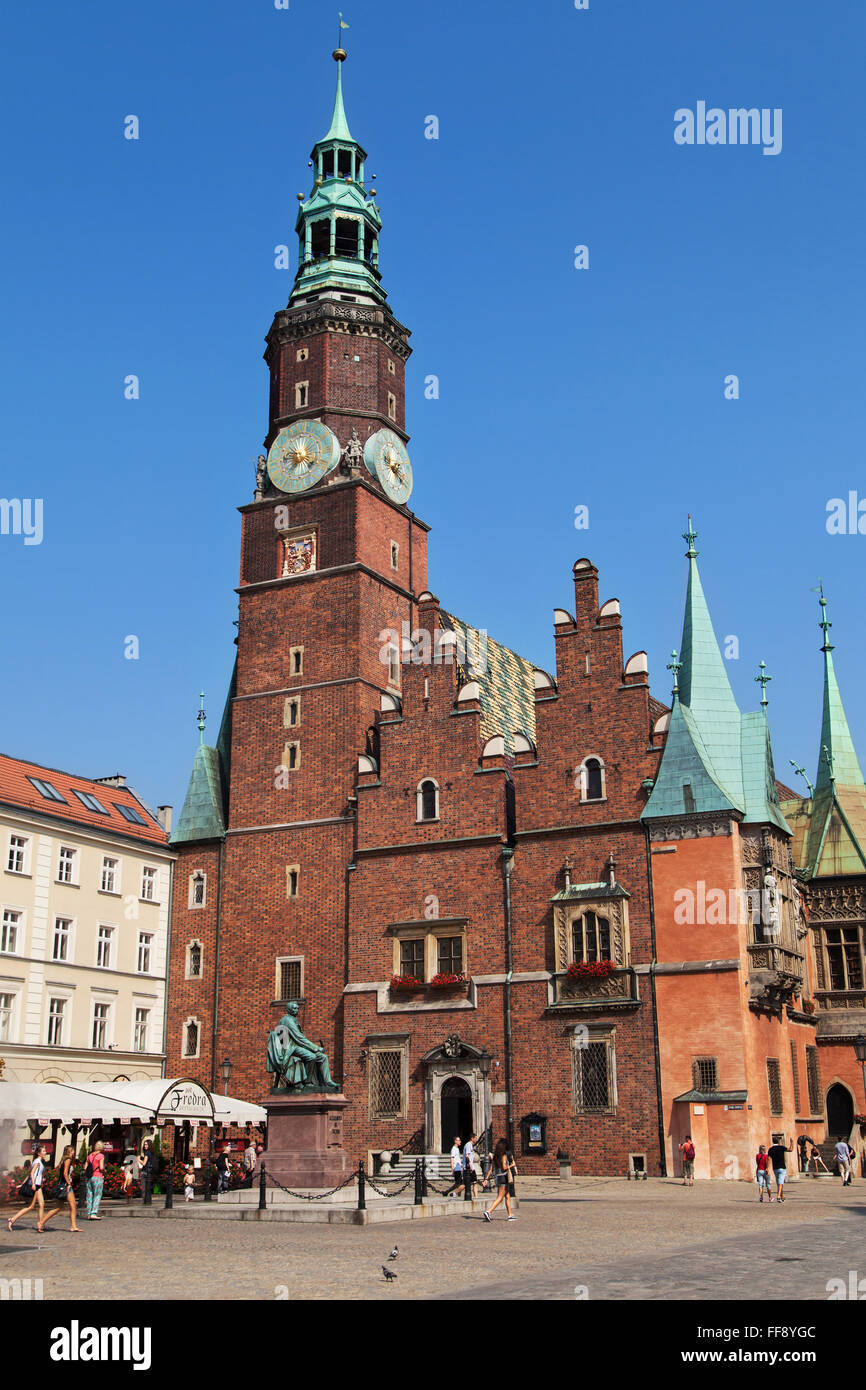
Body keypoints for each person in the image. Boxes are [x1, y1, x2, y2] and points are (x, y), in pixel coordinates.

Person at [7, 1144, 51, 1232]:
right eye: (44, 1151)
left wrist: (23, 1184)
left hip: (37, 1185)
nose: (45, 1152)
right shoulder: (38, 1162)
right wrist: (34, 1184)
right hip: (36, 1185)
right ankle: (13, 1220)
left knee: (37, 1205)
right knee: (35, 1206)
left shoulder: (37, 1161)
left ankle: (40, 1224)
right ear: (39, 1153)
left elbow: (29, 1174)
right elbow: (32, 1174)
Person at [40, 1144, 80, 1232]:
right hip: (66, 1185)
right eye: (73, 1150)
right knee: (73, 1206)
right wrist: (69, 1184)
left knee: (58, 1207)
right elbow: (65, 1173)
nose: (74, 1152)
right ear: (70, 1151)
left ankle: (42, 1222)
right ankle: (73, 1226)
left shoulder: (63, 1159)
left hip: (63, 1184)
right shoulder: (68, 1159)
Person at [483, 1139, 517, 1221]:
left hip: (498, 1177)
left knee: (507, 1196)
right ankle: (489, 1211)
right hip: (503, 1177)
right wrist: (512, 1165)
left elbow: (491, 1169)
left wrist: (486, 1179)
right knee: (500, 1197)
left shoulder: (495, 1156)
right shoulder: (504, 1155)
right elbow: (504, 1167)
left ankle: (510, 1215)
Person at [767, 1135, 793, 1202]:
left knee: (779, 1183)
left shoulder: (771, 1149)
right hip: (782, 1167)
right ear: (778, 1141)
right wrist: (791, 1143)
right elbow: (790, 1149)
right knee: (781, 1183)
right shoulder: (781, 1147)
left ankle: (782, 1197)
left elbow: (769, 1159)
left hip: (775, 1168)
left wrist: (767, 1168)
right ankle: (778, 1197)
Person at [84, 1140, 106, 1220]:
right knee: (97, 1195)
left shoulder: (90, 1155)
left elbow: (85, 1167)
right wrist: (104, 1171)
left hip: (89, 1177)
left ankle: (89, 1213)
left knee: (89, 1195)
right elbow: (101, 1167)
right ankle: (94, 1212)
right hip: (97, 1177)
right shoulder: (101, 1156)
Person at [462, 1134, 479, 1199]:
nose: (476, 1140)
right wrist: (471, 1166)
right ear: (472, 1138)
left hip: (470, 1166)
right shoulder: (469, 1145)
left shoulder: (470, 1145)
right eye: (475, 1138)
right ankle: (455, 1193)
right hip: (469, 1167)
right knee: (465, 1184)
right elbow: (467, 1156)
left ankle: (476, 1196)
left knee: (474, 1182)